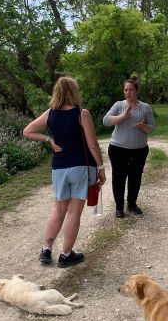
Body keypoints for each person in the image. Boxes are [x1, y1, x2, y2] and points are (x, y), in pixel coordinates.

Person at [23, 76, 106, 267]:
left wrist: (48, 140)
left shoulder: (50, 114)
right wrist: (101, 167)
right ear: (74, 91)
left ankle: (46, 249)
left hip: (59, 168)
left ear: (57, 92)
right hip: (80, 168)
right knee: (73, 213)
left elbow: (27, 131)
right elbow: (92, 145)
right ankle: (66, 255)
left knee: (59, 209)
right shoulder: (81, 114)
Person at [103, 77, 155, 218]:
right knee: (119, 177)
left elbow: (151, 128)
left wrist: (142, 126)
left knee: (135, 177)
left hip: (139, 149)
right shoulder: (119, 105)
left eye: (131, 90)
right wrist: (122, 117)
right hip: (118, 148)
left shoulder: (145, 107)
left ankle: (132, 204)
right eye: (126, 90)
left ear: (137, 91)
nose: (128, 92)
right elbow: (106, 121)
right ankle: (119, 207)